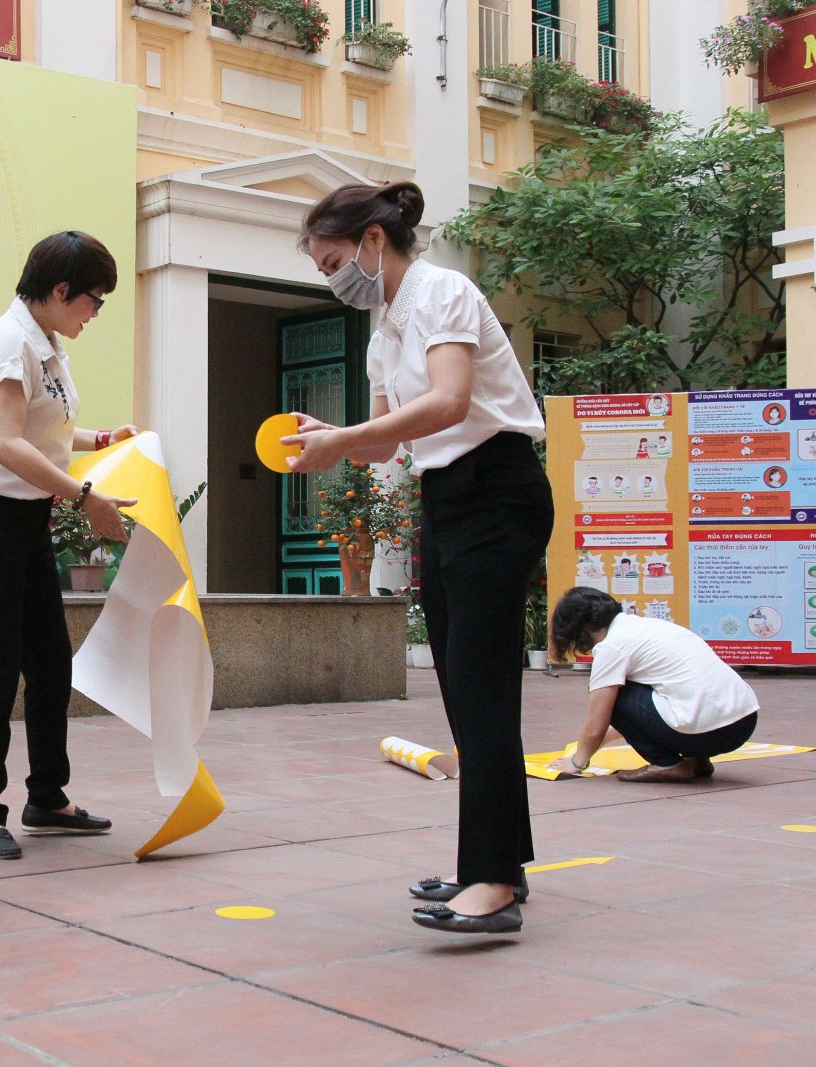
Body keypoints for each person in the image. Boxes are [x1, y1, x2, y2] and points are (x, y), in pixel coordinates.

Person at [286, 181, 553, 935]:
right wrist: (325, 435)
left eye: (335, 260)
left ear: (374, 239)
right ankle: (494, 863)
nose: (334, 279)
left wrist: (341, 441)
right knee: (465, 688)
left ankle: (492, 879)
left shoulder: (442, 292)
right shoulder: (385, 330)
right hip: (448, 498)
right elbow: (382, 441)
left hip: (497, 488)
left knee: (482, 684)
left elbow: (450, 401)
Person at [0, 230, 138, 860]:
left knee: (51, 664)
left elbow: (45, 431)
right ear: (61, 292)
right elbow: (4, 444)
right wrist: (85, 497)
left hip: (25, 521)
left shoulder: (47, 342)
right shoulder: (8, 343)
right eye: (94, 301)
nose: (94, 313)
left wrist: (102, 438)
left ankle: (47, 798)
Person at [546, 587, 759, 783]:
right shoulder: (649, 627)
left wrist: (577, 762)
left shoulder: (611, 647)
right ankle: (698, 761)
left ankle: (669, 764)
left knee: (615, 696)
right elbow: (642, 715)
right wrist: (601, 741)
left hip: (706, 732)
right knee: (681, 693)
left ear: (579, 629)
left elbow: (598, 722)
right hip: (744, 722)